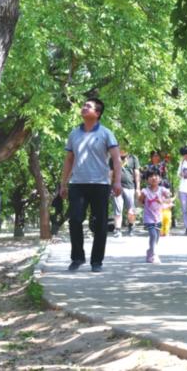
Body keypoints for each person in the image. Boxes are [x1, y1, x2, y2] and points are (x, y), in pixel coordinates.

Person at [59, 98, 122, 273]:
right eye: (84, 105)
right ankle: (77, 258)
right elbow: (69, 160)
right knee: (75, 220)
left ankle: (97, 261)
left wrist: (116, 181)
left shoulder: (106, 133)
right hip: (77, 183)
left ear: (98, 113)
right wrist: (63, 183)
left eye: (89, 106)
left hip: (100, 184)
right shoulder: (74, 134)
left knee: (100, 223)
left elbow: (116, 159)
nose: (84, 108)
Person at [139, 167, 172, 263]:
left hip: (158, 218)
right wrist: (141, 197)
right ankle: (154, 255)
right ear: (147, 179)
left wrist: (164, 199)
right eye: (151, 176)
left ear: (160, 178)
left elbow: (169, 198)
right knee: (153, 235)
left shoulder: (162, 189)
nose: (154, 178)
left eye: (156, 175)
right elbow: (140, 201)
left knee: (157, 237)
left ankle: (150, 251)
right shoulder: (145, 191)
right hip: (149, 218)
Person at [109, 143, 140, 237]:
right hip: (116, 188)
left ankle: (131, 227)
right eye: (120, 147)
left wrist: (138, 188)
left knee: (131, 210)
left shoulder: (133, 158)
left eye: (124, 146)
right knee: (117, 210)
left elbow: (137, 173)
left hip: (130, 187)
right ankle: (117, 229)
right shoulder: (113, 158)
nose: (122, 148)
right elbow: (110, 173)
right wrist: (108, 187)